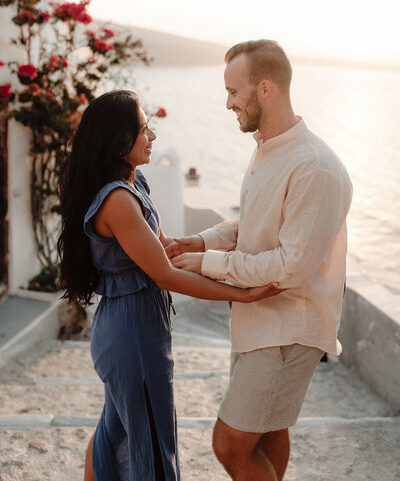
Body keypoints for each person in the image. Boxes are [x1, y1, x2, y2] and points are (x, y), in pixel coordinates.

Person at [57, 89, 283, 481]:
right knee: (150, 440)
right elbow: (165, 274)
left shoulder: (134, 183)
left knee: (116, 431)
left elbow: (166, 253)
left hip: (132, 325)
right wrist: (241, 293)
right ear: (119, 140)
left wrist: (213, 245)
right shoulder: (118, 202)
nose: (153, 136)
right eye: (145, 128)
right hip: (132, 333)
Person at [168, 40, 353, 481]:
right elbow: (251, 225)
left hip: (290, 326)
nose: (227, 102)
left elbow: (291, 267)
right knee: (268, 432)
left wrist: (208, 263)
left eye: (234, 92)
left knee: (229, 443)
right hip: (259, 322)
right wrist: (197, 241)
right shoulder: (268, 148)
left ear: (264, 89)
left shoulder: (314, 166)